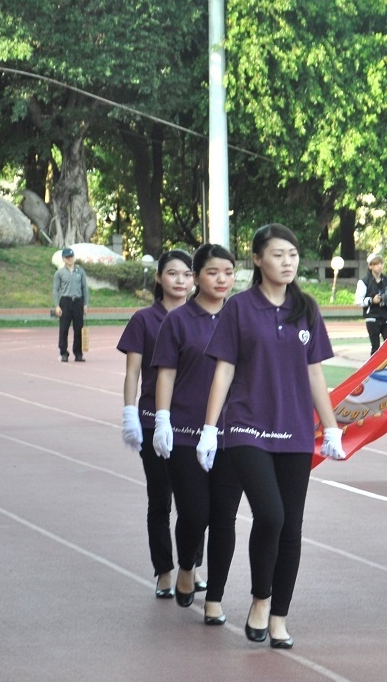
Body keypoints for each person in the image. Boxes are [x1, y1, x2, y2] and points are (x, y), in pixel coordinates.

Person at [199, 224, 346, 649]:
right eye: (278, 254)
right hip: (246, 427)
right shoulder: (239, 308)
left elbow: (314, 371)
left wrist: (331, 425)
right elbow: (224, 368)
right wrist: (211, 428)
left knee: (292, 527)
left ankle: (279, 614)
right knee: (271, 515)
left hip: (296, 430)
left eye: (293, 255)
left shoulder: (307, 309)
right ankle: (260, 599)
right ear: (258, 260)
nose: (287, 262)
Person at [152, 244, 243, 624]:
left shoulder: (240, 317)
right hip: (187, 433)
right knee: (195, 512)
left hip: (234, 435)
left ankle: (215, 599)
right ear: (196, 276)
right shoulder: (178, 321)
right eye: (212, 272)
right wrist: (161, 420)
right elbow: (167, 374)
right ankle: (186, 565)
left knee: (224, 517)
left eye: (228, 272)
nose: (221, 280)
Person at [117, 249, 200, 599]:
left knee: (196, 502)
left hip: (194, 422)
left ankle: (190, 568)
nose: (180, 280)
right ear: (158, 278)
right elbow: (133, 372)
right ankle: (164, 570)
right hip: (154, 420)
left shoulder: (205, 317)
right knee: (160, 499)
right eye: (172, 274)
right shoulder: (144, 320)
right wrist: (129, 413)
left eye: (186, 274)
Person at [355, 252, 387, 356]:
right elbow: (358, 301)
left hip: (386, 318)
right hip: (372, 318)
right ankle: (373, 370)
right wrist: (371, 300)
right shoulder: (364, 282)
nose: (379, 266)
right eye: (376, 264)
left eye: (381, 263)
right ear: (370, 266)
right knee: (375, 347)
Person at [53, 247, 90, 362]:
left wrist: (85, 304)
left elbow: (85, 288)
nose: (70, 259)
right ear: (63, 259)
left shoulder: (80, 271)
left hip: (78, 301)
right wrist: (57, 305)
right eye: (67, 257)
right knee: (64, 329)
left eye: (71, 257)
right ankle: (64, 353)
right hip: (65, 301)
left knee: (78, 328)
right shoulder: (59, 273)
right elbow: (55, 289)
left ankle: (78, 353)